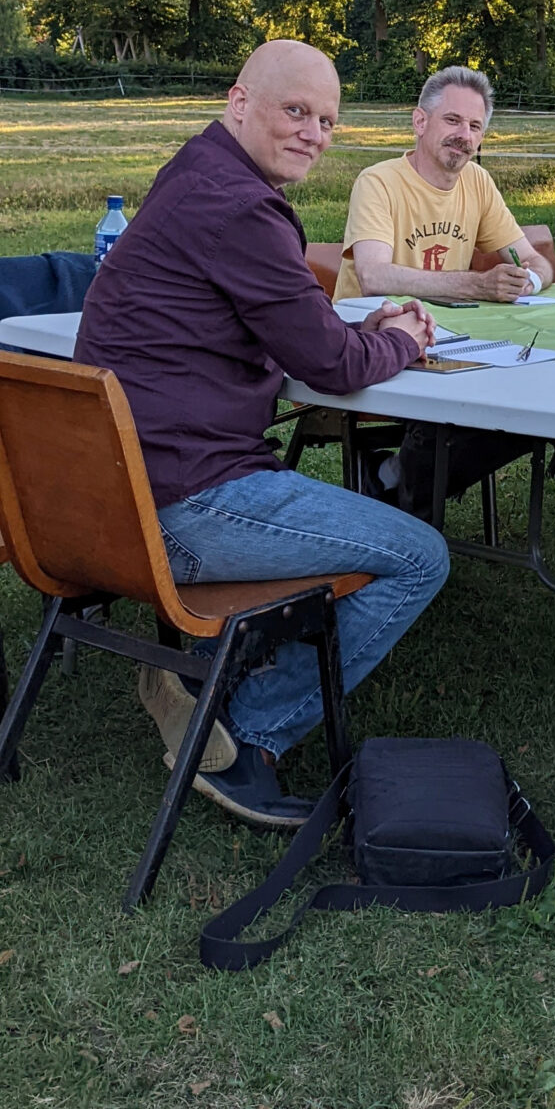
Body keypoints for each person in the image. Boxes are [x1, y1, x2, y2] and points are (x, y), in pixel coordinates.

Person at [75, 41, 449, 830]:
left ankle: (195, 679)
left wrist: (364, 327)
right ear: (239, 100)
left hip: (113, 499)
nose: (315, 132)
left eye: (327, 120)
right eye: (297, 111)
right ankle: (244, 736)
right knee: (420, 556)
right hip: (187, 504)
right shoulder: (240, 203)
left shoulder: (197, 174)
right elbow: (330, 363)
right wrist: (405, 341)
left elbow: (291, 326)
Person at [334, 66, 555, 302]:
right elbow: (373, 277)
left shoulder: (477, 180)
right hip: (368, 329)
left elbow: (533, 259)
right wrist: (476, 285)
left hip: (445, 328)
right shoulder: (378, 182)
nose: (464, 135)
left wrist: (530, 281)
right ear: (420, 121)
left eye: (474, 126)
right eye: (453, 120)